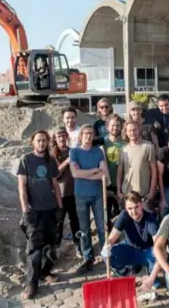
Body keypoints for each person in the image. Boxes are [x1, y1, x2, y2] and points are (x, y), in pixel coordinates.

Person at [16, 130, 64, 300]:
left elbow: (55, 185)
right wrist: (25, 210)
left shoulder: (50, 160)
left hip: (50, 210)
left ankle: (45, 272)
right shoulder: (26, 160)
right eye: (39, 140)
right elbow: (22, 187)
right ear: (33, 142)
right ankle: (32, 284)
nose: (42, 143)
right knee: (34, 250)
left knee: (50, 247)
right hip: (34, 212)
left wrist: (60, 207)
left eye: (44, 140)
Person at [101, 191, 162, 295]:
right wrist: (107, 246)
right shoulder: (123, 215)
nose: (134, 212)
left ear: (141, 204)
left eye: (136, 207)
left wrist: (152, 277)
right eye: (130, 208)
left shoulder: (151, 219)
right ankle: (126, 275)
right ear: (125, 207)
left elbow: (159, 246)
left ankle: (151, 275)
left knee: (157, 254)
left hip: (146, 252)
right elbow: (112, 237)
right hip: (129, 249)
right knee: (107, 255)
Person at [69, 124, 108, 273]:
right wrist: (93, 170)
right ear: (81, 136)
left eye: (91, 133)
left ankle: (106, 255)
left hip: (98, 194)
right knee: (84, 229)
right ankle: (88, 257)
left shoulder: (98, 151)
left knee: (101, 226)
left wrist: (85, 172)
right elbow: (75, 174)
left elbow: (103, 173)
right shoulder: (75, 152)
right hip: (81, 195)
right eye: (85, 133)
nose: (88, 136)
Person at [50, 127, 81, 258]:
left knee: (75, 221)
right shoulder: (52, 155)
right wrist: (66, 162)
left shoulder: (73, 151)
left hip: (74, 193)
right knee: (59, 223)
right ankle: (55, 248)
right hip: (60, 195)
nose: (62, 138)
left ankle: (79, 245)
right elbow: (55, 175)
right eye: (59, 136)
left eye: (63, 136)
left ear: (67, 137)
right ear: (55, 139)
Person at [117, 119, 157, 203]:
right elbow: (120, 171)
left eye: (134, 129)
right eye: (130, 130)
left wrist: (152, 192)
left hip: (144, 194)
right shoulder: (123, 149)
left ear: (139, 130)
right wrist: (119, 191)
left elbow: (154, 170)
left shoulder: (148, 146)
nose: (132, 132)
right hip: (127, 193)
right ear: (126, 132)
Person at [103, 114, 124, 231]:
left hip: (122, 182)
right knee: (106, 213)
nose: (115, 128)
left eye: (117, 126)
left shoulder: (125, 142)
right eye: (112, 125)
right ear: (107, 126)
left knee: (122, 211)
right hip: (107, 182)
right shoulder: (102, 142)